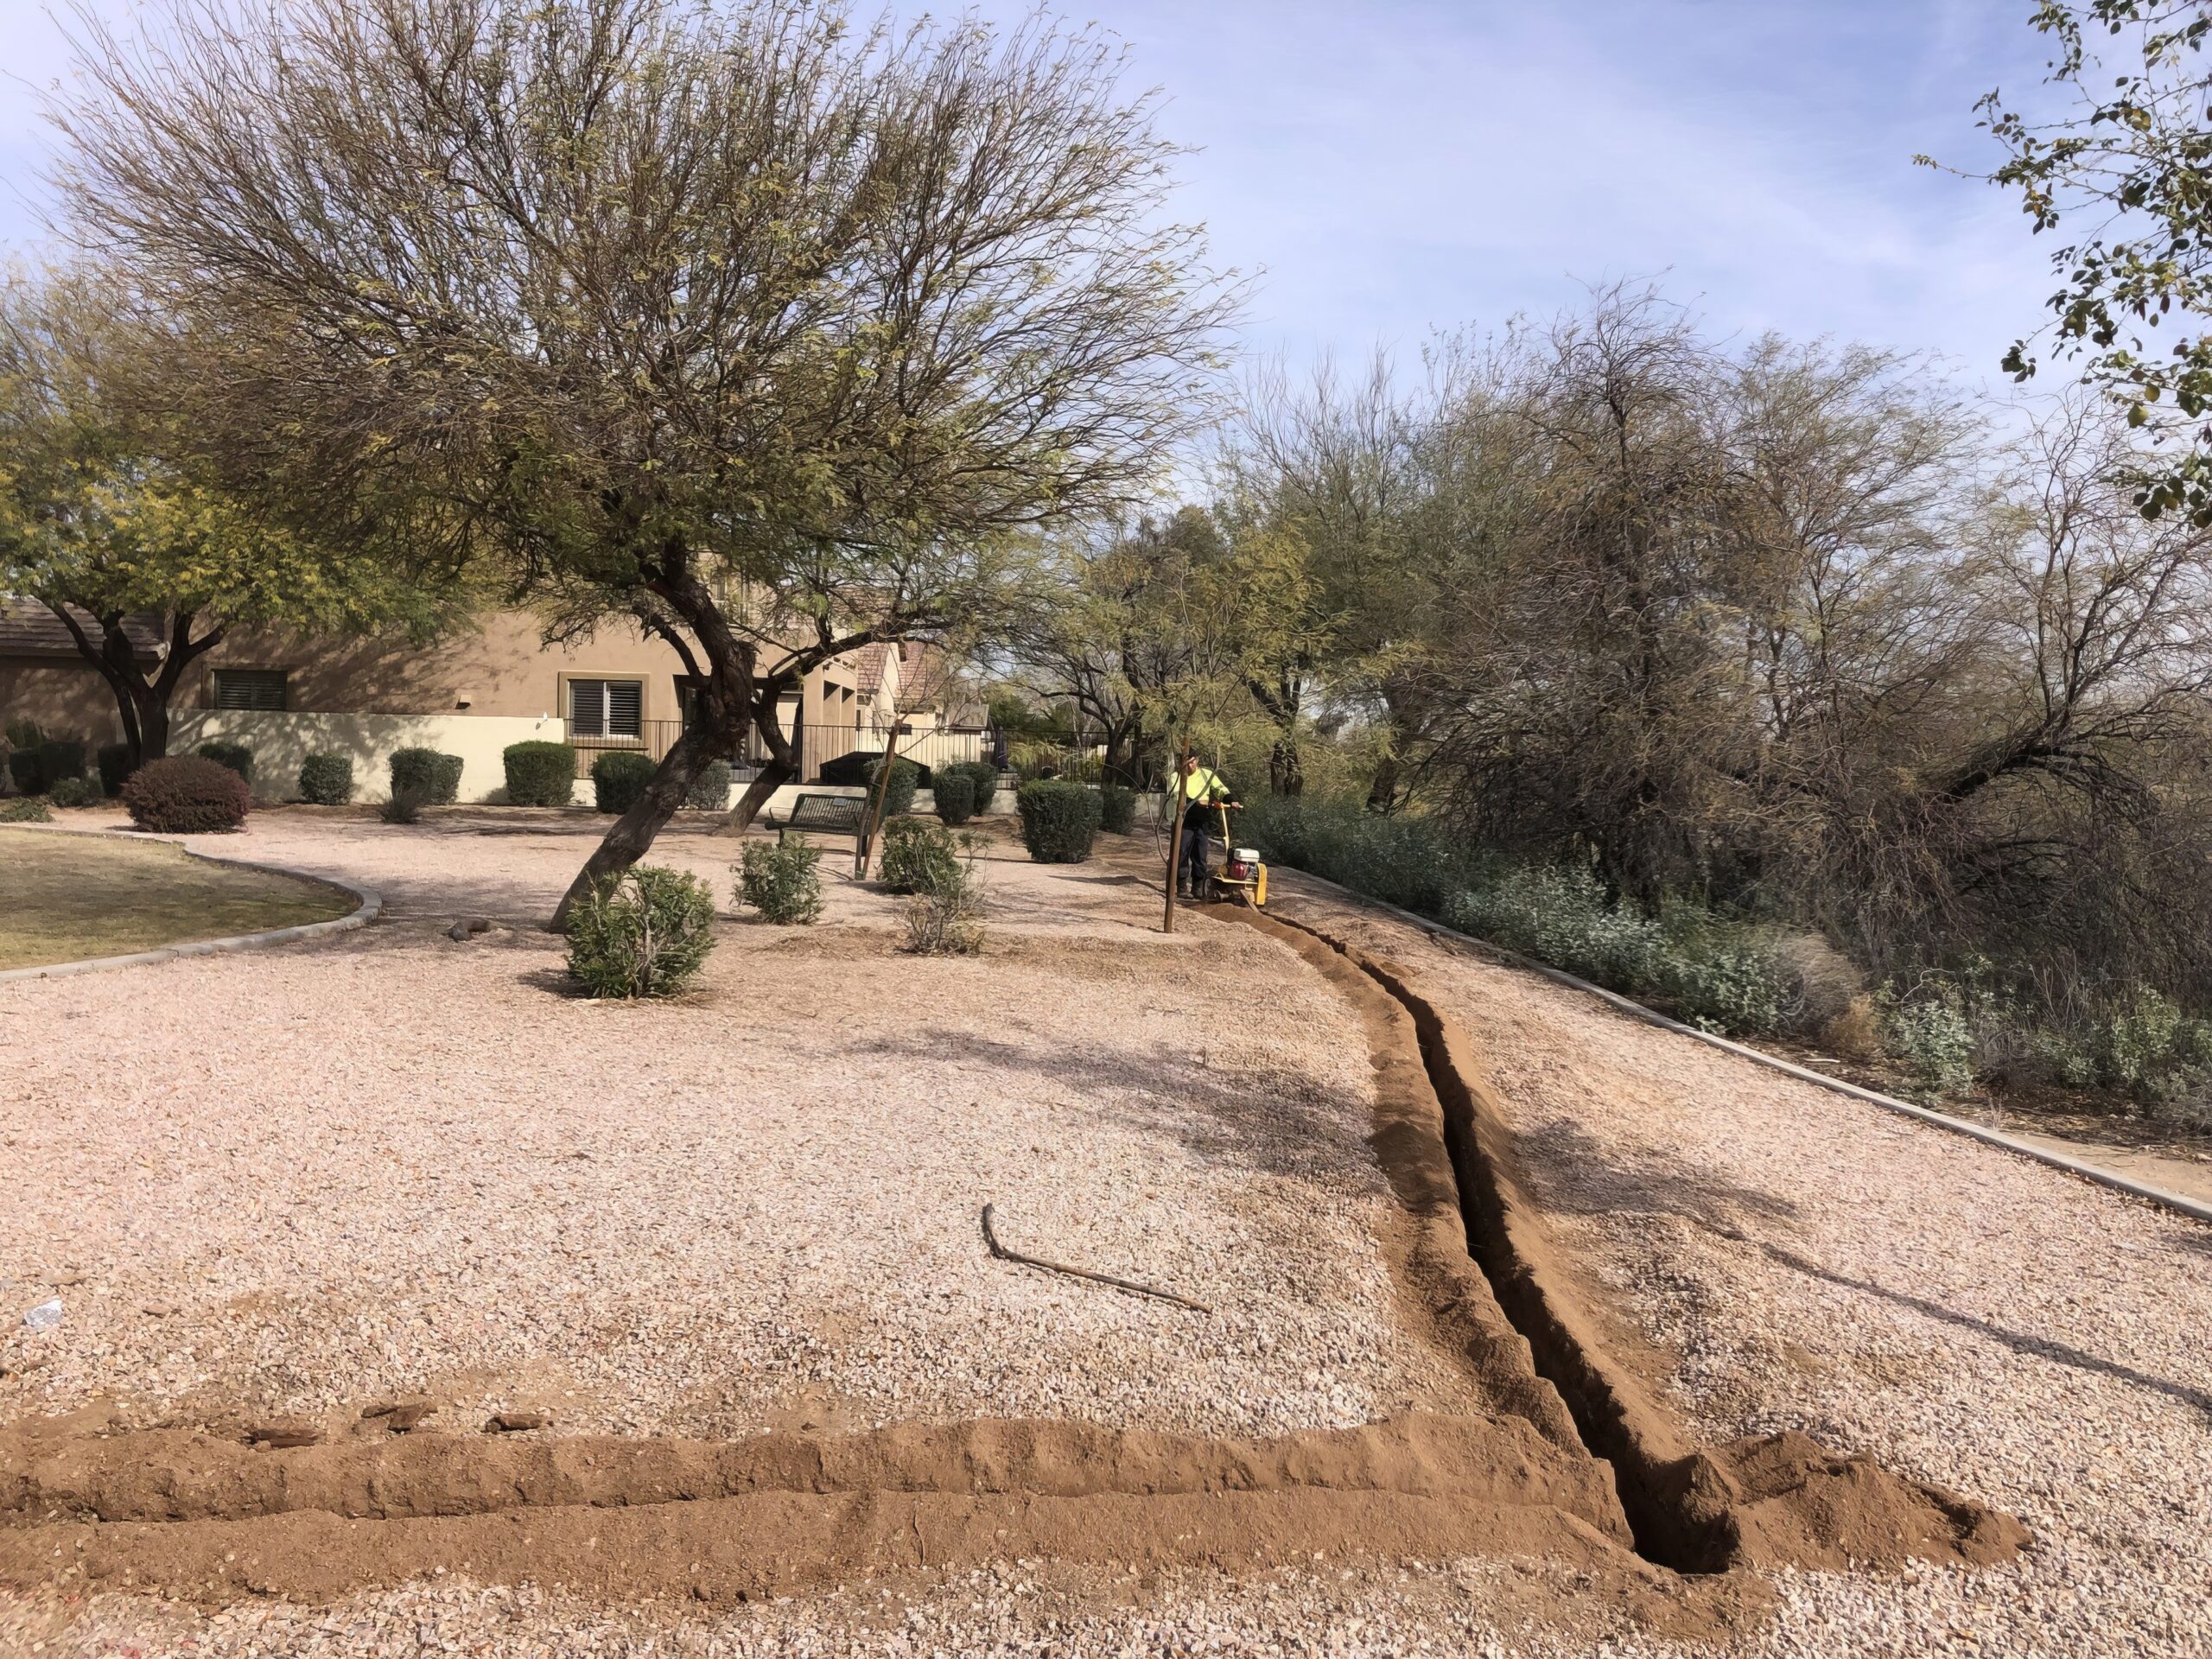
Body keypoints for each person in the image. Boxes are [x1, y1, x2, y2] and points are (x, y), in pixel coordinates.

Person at [1168, 754, 1239, 899]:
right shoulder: (1176, 777)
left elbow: (1221, 789)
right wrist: (1202, 803)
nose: (1189, 766)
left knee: (1201, 855)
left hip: (1202, 821)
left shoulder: (1206, 774)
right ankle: (1181, 886)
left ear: (1197, 761)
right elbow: (1178, 798)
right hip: (1184, 820)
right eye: (1186, 762)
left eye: (1192, 762)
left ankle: (1197, 886)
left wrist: (1230, 800)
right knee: (1181, 852)